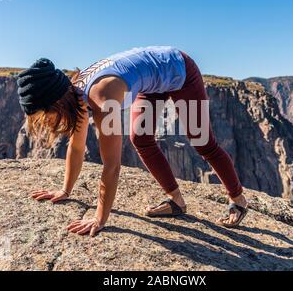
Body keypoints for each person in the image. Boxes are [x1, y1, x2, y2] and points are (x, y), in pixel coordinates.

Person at [18, 46, 248, 237]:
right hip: (154, 81)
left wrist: (99, 218)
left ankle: (238, 200)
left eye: (43, 115)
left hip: (180, 72)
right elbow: (76, 147)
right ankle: (176, 202)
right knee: (141, 139)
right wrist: (65, 190)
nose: (46, 122)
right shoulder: (74, 94)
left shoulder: (102, 96)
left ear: (56, 102)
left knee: (202, 141)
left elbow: (112, 165)